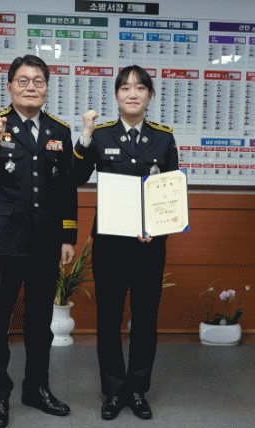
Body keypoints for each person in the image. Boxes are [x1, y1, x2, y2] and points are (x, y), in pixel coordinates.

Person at [0, 54, 77, 428]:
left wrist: (68, 235)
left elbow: (66, 188)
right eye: (23, 81)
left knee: (40, 323)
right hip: (4, 240)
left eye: (38, 81)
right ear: (10, 86)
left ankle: (36, 388)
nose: (31, 87)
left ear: (47, 87)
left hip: (45, 241)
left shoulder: (59, 131)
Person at [71, 65, 179, 420]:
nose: (133, 93)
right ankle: (114, 390)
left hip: (149, 245)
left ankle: (137, 389)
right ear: (116, 95)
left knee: (145, 318)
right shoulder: (101, 135)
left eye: (140, 87)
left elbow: (169, 193)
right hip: (110, 245)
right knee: (108, 318)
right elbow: (76, 175)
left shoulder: (164, 138)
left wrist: (157, 229)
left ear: (150, 95)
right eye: (125, 87)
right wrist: (85, 134)